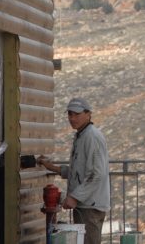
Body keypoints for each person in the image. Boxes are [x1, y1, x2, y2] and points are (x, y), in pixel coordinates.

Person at [38, 98, 110, 244]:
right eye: (70, 114)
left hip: (90, 205)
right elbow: (79, 171)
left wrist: (75, 197)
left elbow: (97, 174)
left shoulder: (92, 136)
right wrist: (53, 167)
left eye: (77, 114)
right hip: (84, 204)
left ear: (88, 114)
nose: (72, 118)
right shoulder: (81, 135)